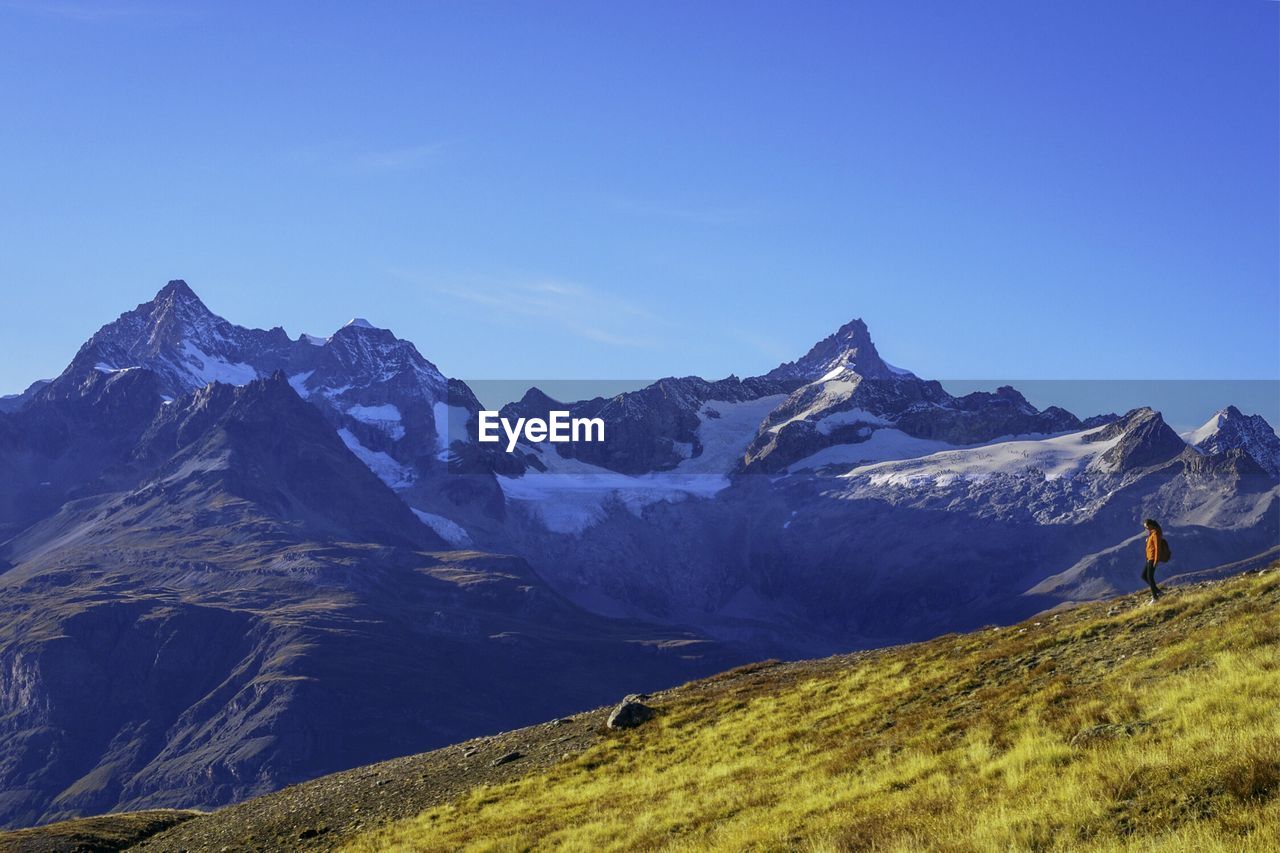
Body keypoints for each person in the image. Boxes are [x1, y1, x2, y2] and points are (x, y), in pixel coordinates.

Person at [1142, 519, 1164, 603]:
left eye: (1147, 527)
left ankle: (1155, 598)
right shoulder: (1151, 533)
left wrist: (1156, 560)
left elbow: (1157, 548)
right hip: (1149, 558)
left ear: (1151, 525)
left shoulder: (1156, 534)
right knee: (1144, 576)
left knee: (1150, 577)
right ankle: (1158, 592)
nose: (1146, 529)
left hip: (1153, 558)